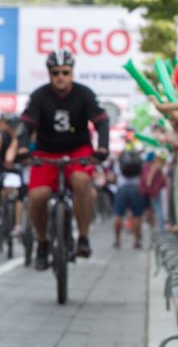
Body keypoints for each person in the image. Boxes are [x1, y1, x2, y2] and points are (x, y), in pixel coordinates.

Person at [15, 49, 109, 270]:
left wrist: (102, 148)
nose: (60, 77)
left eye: (65, 72)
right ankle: (42, 242)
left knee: (81, 181)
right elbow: (26, 125)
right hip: (46, 152)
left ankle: (83, 237)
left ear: (72, 72)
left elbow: (102, 122)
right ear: (49, 73)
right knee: (37, 196)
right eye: (55, 72)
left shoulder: (84, 94)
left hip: (79, 150)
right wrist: (21, 149)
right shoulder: (39, 96)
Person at [113, 146, 145, 249]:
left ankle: (117, 239)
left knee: (118, 214)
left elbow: (114, 176)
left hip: (122, 187)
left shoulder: (120, 162)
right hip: (136, 187)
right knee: (137, 215)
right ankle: (136, 240)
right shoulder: (138, 160)